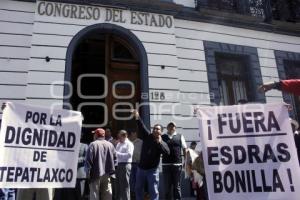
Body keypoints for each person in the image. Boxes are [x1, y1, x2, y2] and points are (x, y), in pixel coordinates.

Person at [131, 109, 170, 200]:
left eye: (158, 129)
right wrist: (137, 116)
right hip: (141, 169)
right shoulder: (147, 136)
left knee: (153, 190)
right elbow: (141, 125)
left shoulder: (163, 143)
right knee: (138, 188)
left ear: (161, 132)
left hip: (152, 171)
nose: (156, 130)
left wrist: (159, 143)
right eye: (154, 128)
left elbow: (167, 153)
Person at [85, 128, 116, 200]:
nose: (93, 136)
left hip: (95, 174)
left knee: (94, 194)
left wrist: (88, 174)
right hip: (107, 174)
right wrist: (112, 171)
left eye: (94, 134)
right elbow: (115, 159)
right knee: (107, 195)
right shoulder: (110, 145)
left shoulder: (92, 144)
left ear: (96, 135)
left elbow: (88, 160)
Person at [161, 121, 187, 200]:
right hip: (166, 165)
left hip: (177, 165)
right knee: (167, 187)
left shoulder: (180, 136)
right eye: (170, 126)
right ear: (167, 127)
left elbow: (185, 149)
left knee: (177, 186)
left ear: (175, 128)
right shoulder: (162, 137)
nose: (172, 127)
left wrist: (185, 161)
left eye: (173, 126)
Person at [115, 130, 134, 200]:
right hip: (118, 165)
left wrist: (117, 153)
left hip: (125, 165)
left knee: (125, 185)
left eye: (119, 137)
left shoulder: (129, 144)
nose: (118, 138)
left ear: (124, 136)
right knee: (118, 186)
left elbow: (129, 155)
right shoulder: (119, 144)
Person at [129, 130, 143, 199]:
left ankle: (138, 194)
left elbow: (143, 152)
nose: (134, 134)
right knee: (131, 179)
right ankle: (132, 194)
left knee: (138, 179)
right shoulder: (128, 142)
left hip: (138, 163)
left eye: (135, 133)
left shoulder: (141, 142)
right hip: (130, 163)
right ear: (131, 134)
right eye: (132, 133)